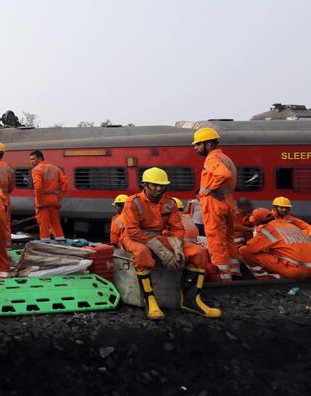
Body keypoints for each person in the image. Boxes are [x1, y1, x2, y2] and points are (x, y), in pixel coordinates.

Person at [121, 168, 221, 320]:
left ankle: (190, 300)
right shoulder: (133, 202)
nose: (159, 188)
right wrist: (163, 252)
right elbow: (133, 231)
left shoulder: (170, 203)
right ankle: (150, 301)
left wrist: (176, 248)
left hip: (159, 237)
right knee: (142, 254)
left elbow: (177, 229)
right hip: (134, 237)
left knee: (198, 253)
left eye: (162, 185)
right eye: (154, 185)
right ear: (145, 185)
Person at [193, 127, 240, 281]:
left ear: (208, 144)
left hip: (214, 205)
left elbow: (223, 174)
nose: (195, 148)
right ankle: (234, 272)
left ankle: (221, 277)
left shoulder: (212, 159)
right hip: (227, 203)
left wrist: (212, 189)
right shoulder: (226, 158)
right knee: (228, 239)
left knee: (216, 242)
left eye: (198, 144)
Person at [239, 208, 311, 279]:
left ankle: (263, 278)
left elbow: (251, 248)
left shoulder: (267, 229)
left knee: (244, 250)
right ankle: (277, 275)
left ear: (258, 223)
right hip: (308, 269)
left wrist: (257, 231)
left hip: (296, 270)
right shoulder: (291, 226)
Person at [29, 150, 69, 239]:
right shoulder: (55, 168)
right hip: (54, 201)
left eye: (33, 159)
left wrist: (39, 202)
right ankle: (61, 243)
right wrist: (59, 198)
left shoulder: (36, 169)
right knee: (56, 224)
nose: (31, 161)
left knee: (43, 226)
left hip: (43, 203)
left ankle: (45, 245)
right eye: (30, 160)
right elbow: (65, 183)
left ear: (40, 158)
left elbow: (38, 187)